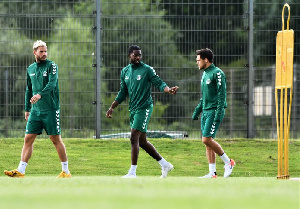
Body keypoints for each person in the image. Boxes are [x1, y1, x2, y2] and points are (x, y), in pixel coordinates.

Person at [106, 45, 179, 178]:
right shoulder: (125, 72)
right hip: (133, 109)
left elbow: (159, 83)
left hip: (144, 107)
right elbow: (123, 92)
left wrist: (168, 89)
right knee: (142, 142)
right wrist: (112, 107)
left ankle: (132, 172)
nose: (138, 57)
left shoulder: (147, 70)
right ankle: (165, 164)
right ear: (129, 56)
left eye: (139, 55)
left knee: (134, 137)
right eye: (135, 55)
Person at [4, 40, 71, 178]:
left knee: (55, 139)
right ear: (34, 52)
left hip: (51, 109)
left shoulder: (52, 65)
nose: (44, 54)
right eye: (41, 51)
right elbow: (29, 89)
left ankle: (66, 171)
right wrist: (27, 109)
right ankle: (20, 171)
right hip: (35, 110)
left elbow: (52, 83)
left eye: (46, 51)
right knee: (28, 138)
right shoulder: (30, 69)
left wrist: (40, 94)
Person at [192, 48, 235, 178]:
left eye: (198, 60)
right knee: (208, 141)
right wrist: (197, 110)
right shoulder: (205, 74)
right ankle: (212, 172)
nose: (197, 63)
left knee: (206, 139)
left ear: (206, 60)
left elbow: (222, 94)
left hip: (215, 110)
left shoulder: (217, 73)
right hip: (205, 111)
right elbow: (203, 96)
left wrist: (219, 111)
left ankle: (229, 162)